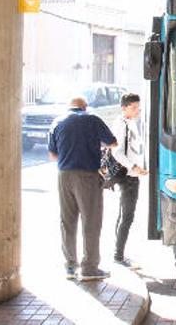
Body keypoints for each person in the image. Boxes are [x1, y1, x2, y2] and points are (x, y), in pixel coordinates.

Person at [48, 96, 117, 281]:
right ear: (84, 107)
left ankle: (70, 267)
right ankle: (89, 268)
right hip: (87, 175)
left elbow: (53, 155)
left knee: (67, 221)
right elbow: (112, 142)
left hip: (64, 175)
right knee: (91, 221)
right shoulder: (92, 119)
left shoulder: (57, 121)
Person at [108, 93, 149, 268]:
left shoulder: (129, 123)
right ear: (124, 108)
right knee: (127, 216)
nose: (137, 110)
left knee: (124, 215)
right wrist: (134, 167)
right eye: (133, 107)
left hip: (130, 174)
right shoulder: (121, 125)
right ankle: (118, 255)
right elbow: (116, 152)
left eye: (138, 107)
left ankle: (118, 252)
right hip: (128, 175)